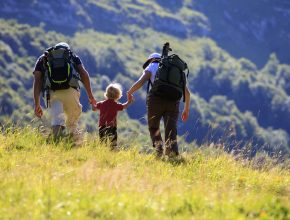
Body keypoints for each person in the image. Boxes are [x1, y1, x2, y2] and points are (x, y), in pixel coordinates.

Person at [127, 52, 190, 157]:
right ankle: (172, 154)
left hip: (155, 101)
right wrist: (186, 109)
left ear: (151, 60)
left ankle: (159, 151)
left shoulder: (152, 66)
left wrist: (130, 92)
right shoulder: (173, 70)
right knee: (171, 129)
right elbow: (187, 93)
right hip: (173, 101)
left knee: (154, 126)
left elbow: (141, 81)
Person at [33, 42, 97, 143]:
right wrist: (91, 96)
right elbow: (84, 74)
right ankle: (73, 146)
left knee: (57, 120)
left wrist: (37, 104)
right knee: (71, 123)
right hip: (70, 91)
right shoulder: (72, 56)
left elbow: (37, 81)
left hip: (51, 93)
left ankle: (58, 144)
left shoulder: (44, 58)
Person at [93, 83, 133, 149]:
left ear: (106, 94)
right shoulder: (116, 105)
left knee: (102, 144)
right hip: (112, 127)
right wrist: (129, 101)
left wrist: (92, 102)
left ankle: (102, 155)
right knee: (113, 145)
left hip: (102, 127)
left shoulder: (101, 104)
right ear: (118, 95)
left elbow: (94, 109)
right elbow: (124, 106)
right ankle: (112, 153)